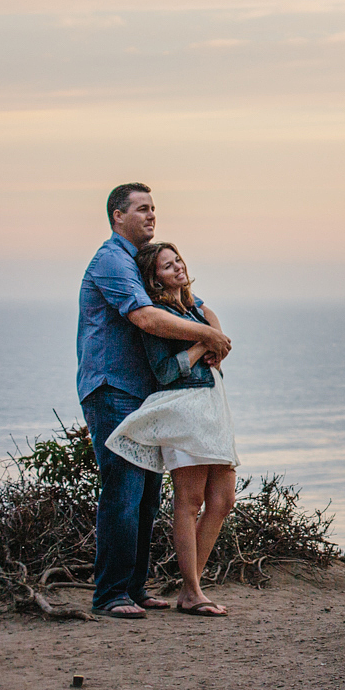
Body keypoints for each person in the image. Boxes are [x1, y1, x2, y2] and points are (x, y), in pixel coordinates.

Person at [76, 184, 232, 619]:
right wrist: (206, 337)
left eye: (153, 209)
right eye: (142, 209)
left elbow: (195, 304)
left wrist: (211, 332)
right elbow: (144, 316)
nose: (151, 216)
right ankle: (110, 595)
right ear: (116, 215)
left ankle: (135, 587)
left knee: (146, 493)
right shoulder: (111, 260)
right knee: (123, 489)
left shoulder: (140, 264)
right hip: (111, 387)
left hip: (146, 394)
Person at [106, 242, 240, 616]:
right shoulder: (159, 318)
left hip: (214, 407)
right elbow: (165, 372)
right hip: (184, 411)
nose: (177, 266)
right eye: (167, 266)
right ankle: (195, 592)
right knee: (190, 501)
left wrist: (210, 335)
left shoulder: (200, 308)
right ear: (155, 278)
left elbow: (222, 348)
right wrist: (202, 341)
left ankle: (188, 590)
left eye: (177, 259)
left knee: (223, 500)